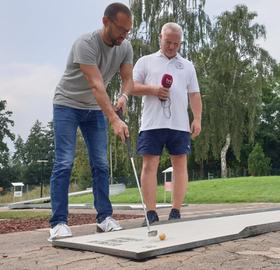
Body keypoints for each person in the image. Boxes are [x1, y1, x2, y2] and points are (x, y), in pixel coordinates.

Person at [49, 2, 133, 241]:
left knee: (101, 164)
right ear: (105, 21)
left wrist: (124, 95)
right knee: (64, 161)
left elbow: (128, 78)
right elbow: (96, 85)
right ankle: (58, 223)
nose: (124, 36)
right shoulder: (85, 44)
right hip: (67, 104)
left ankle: (105, 218)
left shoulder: (125, 47)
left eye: (128, 31)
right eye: (121, 30)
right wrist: (115, 119)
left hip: (94, 108)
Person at [131, 22, 202, 225]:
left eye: (176, 44)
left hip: (179, 125)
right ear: (160, 37)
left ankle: (176, 212)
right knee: (149, 165)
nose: (171, 47)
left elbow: (195, 94)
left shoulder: (187, 65)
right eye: (168, 42)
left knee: (180, 165)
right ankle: (151, 213)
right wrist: (153, 90)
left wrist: (197, 118)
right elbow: (131, 86)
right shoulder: (145, 61)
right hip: (152, 123)